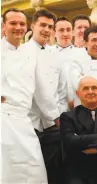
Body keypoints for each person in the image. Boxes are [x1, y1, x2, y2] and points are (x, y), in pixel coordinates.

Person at [20, 9, 68, 184]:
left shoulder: (55, 54)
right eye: (42, 25)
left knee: (54, 167)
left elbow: (63, 88)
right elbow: (38, 90)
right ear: (33, 26)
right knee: (31, 171)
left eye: (50, 26)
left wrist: (60, 114)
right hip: (30, 122)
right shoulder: (22, 51)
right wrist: (54, 116)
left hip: (54, 124)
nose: (46, 30)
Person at [54, 16, 84, 110]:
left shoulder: (83, 53)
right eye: (61, 30)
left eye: (68, 30)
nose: (65, 33)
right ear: (54, 32)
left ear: (73, 32)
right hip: (56, 108)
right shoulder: (48, 53)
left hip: (80, 105)